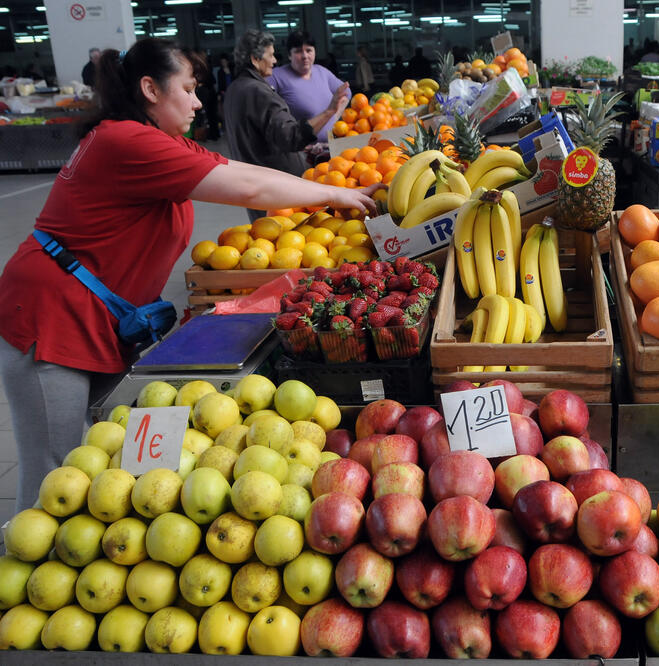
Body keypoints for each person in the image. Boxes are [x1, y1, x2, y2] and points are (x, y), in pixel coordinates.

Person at [0, 38, 378, 512]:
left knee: (103, 458)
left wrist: (328, 190)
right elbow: (249, 186)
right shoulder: (128, 142)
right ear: (150, 89)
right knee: (52, 473)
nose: (199, 102)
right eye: (188, 89)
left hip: (101, 317)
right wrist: (334, 194)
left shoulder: (156, 139)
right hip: (50, 316)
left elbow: (239, 169)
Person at [224, 30, 350, 219]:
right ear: (255, 59)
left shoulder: (234, 89)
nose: (274, 61)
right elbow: (291, 137)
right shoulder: (260, 92)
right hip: (280, 190)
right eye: (270, 55)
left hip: (256, 187)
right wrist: (329, 111)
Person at [268, 31, 351, 140]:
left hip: (329, 145)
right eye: (298, 51)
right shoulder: (276, 76)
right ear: (289, 55)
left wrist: (334, 116)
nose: (305, 56)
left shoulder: (321, 72)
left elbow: (346, 92)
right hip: (302, 147)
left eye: (309, 50)